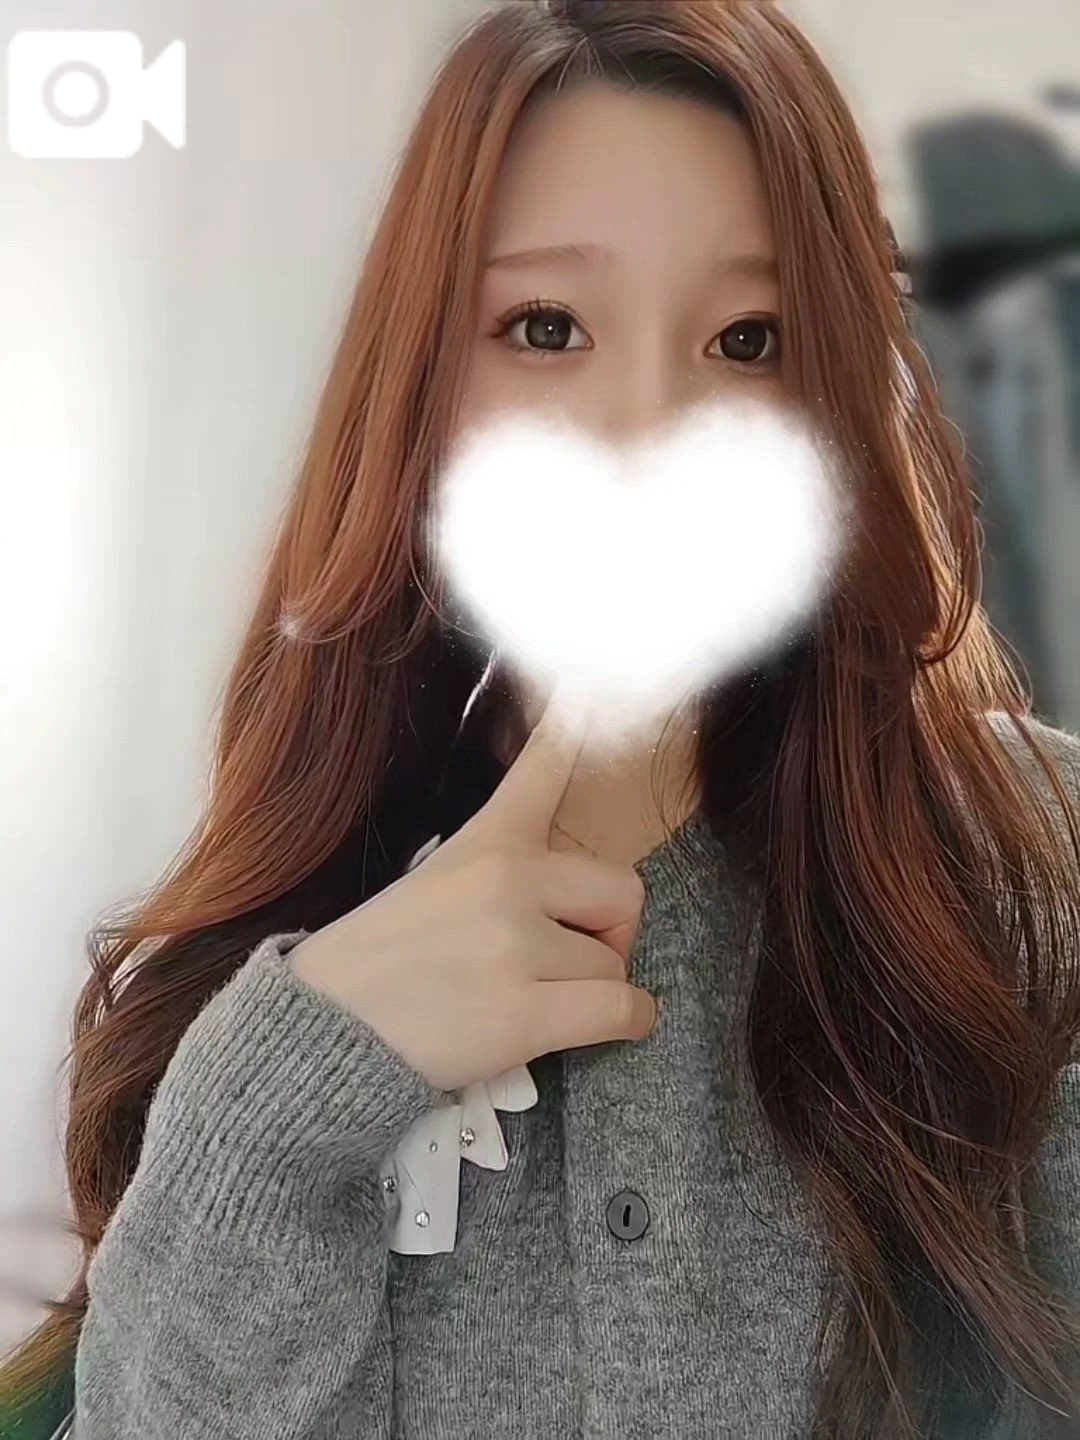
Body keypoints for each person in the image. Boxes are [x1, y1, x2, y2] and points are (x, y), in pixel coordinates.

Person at [2, 1, 1080, 1436]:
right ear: (423, 396)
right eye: (546, 327)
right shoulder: (261, 975)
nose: (649, 430)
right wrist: (285, 1097)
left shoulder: (1033, 868)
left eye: (749, 339)